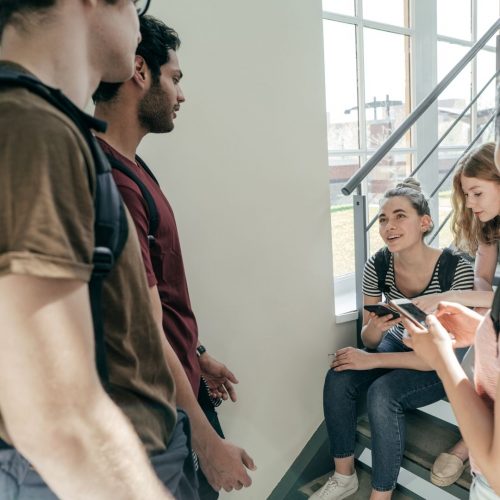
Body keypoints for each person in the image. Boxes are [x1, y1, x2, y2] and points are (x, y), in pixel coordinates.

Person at [0, 1, 198, 499]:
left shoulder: (47, 127)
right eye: (135, 5)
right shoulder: (32, 130)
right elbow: (55, 415)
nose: (136, 23)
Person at [92, 15, 256, 498]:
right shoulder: (114, 183)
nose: (181, 95)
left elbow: (151, 292)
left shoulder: (132, 167)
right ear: (140, 71)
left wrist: (197, 353)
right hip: (161, 417)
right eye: (176, 78)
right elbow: (137, 328)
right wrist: (204, 442)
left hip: (181, 387)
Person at [311, 178, 475, 500]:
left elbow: (437, 357)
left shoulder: (456, 269)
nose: (389, 226)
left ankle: (381, 494)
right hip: (400, 344)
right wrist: (374, 331)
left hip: (444, 362)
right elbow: (369, 338)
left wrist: (372, 359)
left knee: (382, 394)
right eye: (384, 219)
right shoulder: (379, 263)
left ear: (425, 222)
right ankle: (344, 477)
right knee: (340, 372)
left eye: (400, 216)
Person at [403, 139, 500, 498]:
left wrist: (451, 298)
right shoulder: (491, 225)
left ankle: (470, 444)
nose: (470, 203)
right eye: (466, 195)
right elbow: (484, 279)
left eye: (477, 193)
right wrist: (479, 312)